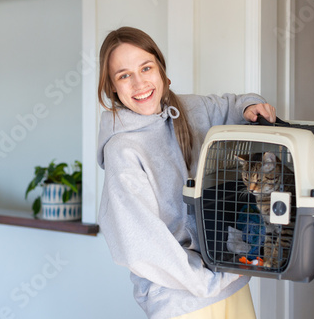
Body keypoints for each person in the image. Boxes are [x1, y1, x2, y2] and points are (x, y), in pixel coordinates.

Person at [97, 26, 276, 319]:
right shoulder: (123, 150)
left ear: (161, 70)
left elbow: (232, 105)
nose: (139, 83)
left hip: (231, 284)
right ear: (112, 87)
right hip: (182, 302)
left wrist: (250, 106)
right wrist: (208, 281)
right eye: (124, 75)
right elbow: (140, 246)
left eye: (146, 68)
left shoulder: (188, 109)